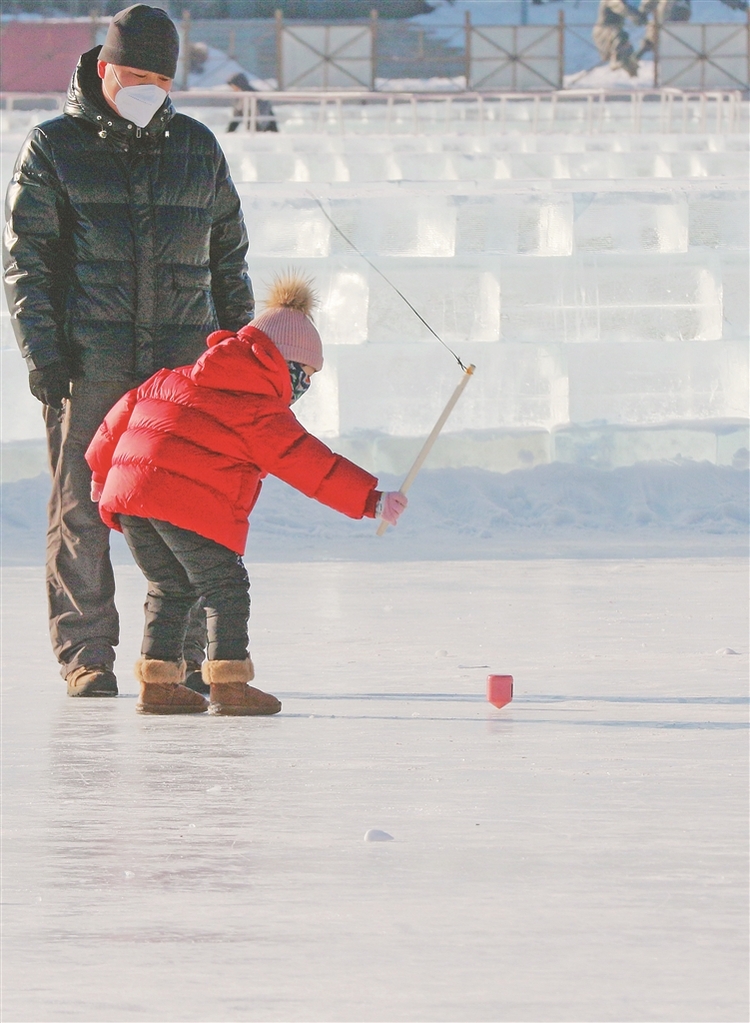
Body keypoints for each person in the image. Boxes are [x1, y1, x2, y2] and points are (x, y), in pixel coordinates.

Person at [2, 5, 255, 698]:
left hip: (180, 362)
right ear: (103, 69)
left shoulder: (198, 147)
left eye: (159, 78)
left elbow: (228, 258)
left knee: (184, 505)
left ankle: (181, 654)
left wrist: (239, 351)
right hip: (90, 361)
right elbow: (27, 261)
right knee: (81, 507)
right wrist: (44, 353)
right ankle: (86, 654)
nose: (146, 87)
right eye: (134, 74)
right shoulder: (52, 146)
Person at [84, 274, 408, 716]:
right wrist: (370, 499)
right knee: (226, 587)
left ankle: (158, 685)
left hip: (132, 499)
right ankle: (230, 685)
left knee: (170, 585)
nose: (305, 388)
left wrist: (102, 482)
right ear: (285, 364)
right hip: (180, 500)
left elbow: (113, 426)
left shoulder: (171, 378)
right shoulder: (256, 406)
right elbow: (307, 461)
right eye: (306, 376)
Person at [592, 0, 646, 77]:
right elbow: (622, 8)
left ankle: (632, 71)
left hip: (613, 31)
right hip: (603, 31)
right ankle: (616, 60)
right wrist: (638, 17)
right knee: (620, 37)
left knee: (626, 46)